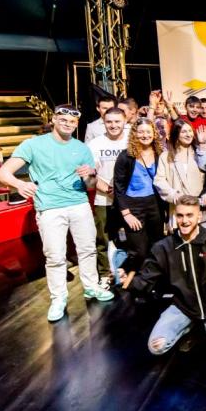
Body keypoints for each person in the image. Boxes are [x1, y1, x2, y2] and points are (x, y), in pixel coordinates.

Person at [0, 104, 113, 321]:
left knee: (88, 250)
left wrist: (91, 175)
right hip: (49, 207)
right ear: (54, 120)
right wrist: (19, 184)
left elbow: (90, 184)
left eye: (72, 121)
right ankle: (58, 298)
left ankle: (91, 286)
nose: (67, 124)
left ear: (76, 124)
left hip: (79, 204)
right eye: (63, 120)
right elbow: (2, 173)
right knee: (55, 256)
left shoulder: (81, 148)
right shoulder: (33, 145)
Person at [119, 195, 206, 384]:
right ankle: (190, 326)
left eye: (189, 215)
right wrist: (128, 282)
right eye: (180, 215)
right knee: (156, 347)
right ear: (175, 217)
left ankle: (201, 328)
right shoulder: (163, 247)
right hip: (183, 307)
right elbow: (146, 279)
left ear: (199, 217)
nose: (184, 221)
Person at [113, 117, 166, 272]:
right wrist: (126, 214)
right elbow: (118, 187)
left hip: (155, 205)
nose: (145, 135)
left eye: (148, 132)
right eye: (141, 132)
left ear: (154, 134)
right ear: (134, 134)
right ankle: (132, 279)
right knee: (139, 251)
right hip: (133, 207)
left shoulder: (160, 154)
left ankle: (153, 279)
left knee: (157, 246)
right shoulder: (125, 156)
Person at [87, 106, 129, 290]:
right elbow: (90, 174)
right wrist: (109, 190)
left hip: (128, 199)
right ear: (103, 122)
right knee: (102, 239)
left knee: (130, 238)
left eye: (117, 121)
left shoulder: (131, 140)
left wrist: (122, 192)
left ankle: (127, 272)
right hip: (104, 199)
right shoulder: (95, 144)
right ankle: (105, 274)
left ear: (125, 121)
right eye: (109, 122)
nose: (113, 125)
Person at [153, 119, 206, 230]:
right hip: (178, 207)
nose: (188, 134)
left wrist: (202, 145)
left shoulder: (199, 152)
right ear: (176, 134)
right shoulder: (166, 156)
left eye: (190, 131)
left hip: (200, 207)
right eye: (184, 132)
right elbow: (159, 180)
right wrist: (174, 195)